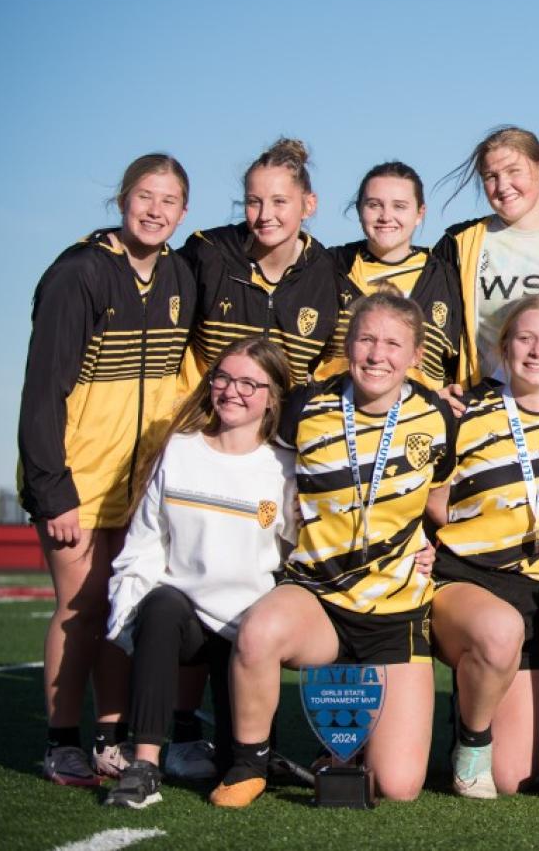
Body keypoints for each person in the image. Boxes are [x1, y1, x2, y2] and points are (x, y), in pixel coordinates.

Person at [211, 288, 457, 807]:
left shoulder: (441, 417)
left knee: (398, 787)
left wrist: (438, 546)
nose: (377, 354)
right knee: (258, 634)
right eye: (366, 339)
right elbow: (256, 472)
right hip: (317, 597)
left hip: (395, 610)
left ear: (416, 357)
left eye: (393, 343)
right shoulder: (304, 405)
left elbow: (444, 502)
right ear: (347, 344)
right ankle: (248, 764)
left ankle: (350, 750)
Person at [19, 153, 196, 786]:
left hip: (142, 487)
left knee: (125, 609)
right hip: (80, 483)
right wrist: (52, 489)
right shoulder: (79, 273)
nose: (155, 210)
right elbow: (42, 393)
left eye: (169, 201)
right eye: (145, 196)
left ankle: (109, 738)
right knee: (83, 606)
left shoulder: (179, 273)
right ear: (122, 200)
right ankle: (60, 741)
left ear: (183, 211)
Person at [103, 338, 297, 808]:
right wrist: (129, 611)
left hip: (245, 632)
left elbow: (296, 553)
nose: (233, 391)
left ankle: (253, 751)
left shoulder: (284, 465)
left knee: (239, 763)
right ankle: (144, 763)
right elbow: (147, 542)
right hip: (183, 618)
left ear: (272, 397)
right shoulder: (180, 450)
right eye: (224, 379)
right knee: (160, 604)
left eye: (250, 383)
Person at [426, 296, 539, 797]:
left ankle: (476, 700)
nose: (538, 351)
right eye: (525, 338)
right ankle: (471, 738)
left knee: (512, 779)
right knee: (497, 631)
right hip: (465, 575)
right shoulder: (463, 411)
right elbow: (432, 500)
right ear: (504, 347)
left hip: (536, 584)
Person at [434, 126, 539, 384]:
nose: (502, 186)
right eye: (490, 176)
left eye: (513, 171)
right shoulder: (460, 243)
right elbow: (433, 328)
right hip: (492, 404)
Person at [180, 138, 339, 388]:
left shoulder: (328, 275)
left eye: (279, 201)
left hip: (283, 425)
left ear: (308, 205)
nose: (265, 216)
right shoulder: (208, 255)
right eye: (254, 202)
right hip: (206, 421)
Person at [318, 161, 463, 389]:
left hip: (420, 420)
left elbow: (456, 366)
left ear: (419, 213)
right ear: (359, 209)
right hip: (339, 415)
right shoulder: (329, 267)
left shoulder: (445, 276)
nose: (386, 216)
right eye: (374, 205)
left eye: (399, 206)